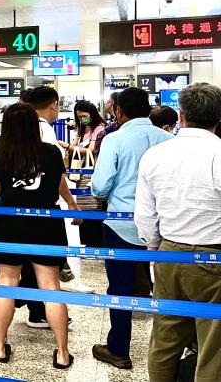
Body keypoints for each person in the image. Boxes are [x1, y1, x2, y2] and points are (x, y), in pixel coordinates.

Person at [136, 83, 221, 382]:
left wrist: (155, 247)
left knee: (165, 336)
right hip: (213, 256)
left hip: (169, 253)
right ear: (218, 118)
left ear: (181, 115)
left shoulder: (155, 154)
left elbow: (145, 214)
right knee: (213, 344)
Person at [0, 102, 77, 369]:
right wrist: (71, 203)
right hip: (46, 223)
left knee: (6, 284)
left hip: (8, 222)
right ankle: (62, 353)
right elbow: (58, 183)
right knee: (51, 287)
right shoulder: (50, 152)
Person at [89, 87, 172, 370]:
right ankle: (172, 353)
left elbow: (100, 186)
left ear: (119, 111)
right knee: (168, 290)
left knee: (120, 287)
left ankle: (118, 349)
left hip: (121, 225)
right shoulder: (167, 139)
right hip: (164, 226)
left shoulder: (114, 139)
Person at [22, 86, 92, 294]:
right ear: (54, 104)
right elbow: (55, 172)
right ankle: (63, 280)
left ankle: (35, 295)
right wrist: (71, 202)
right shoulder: (45, 129)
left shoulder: (21, 127)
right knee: (53, 248)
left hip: (19, 200)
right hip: (44, 201)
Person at [94, 91, 121, 157]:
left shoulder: (111, 129)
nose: (105, 103)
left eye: (108, 101)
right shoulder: (114, 123)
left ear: (112, 102)